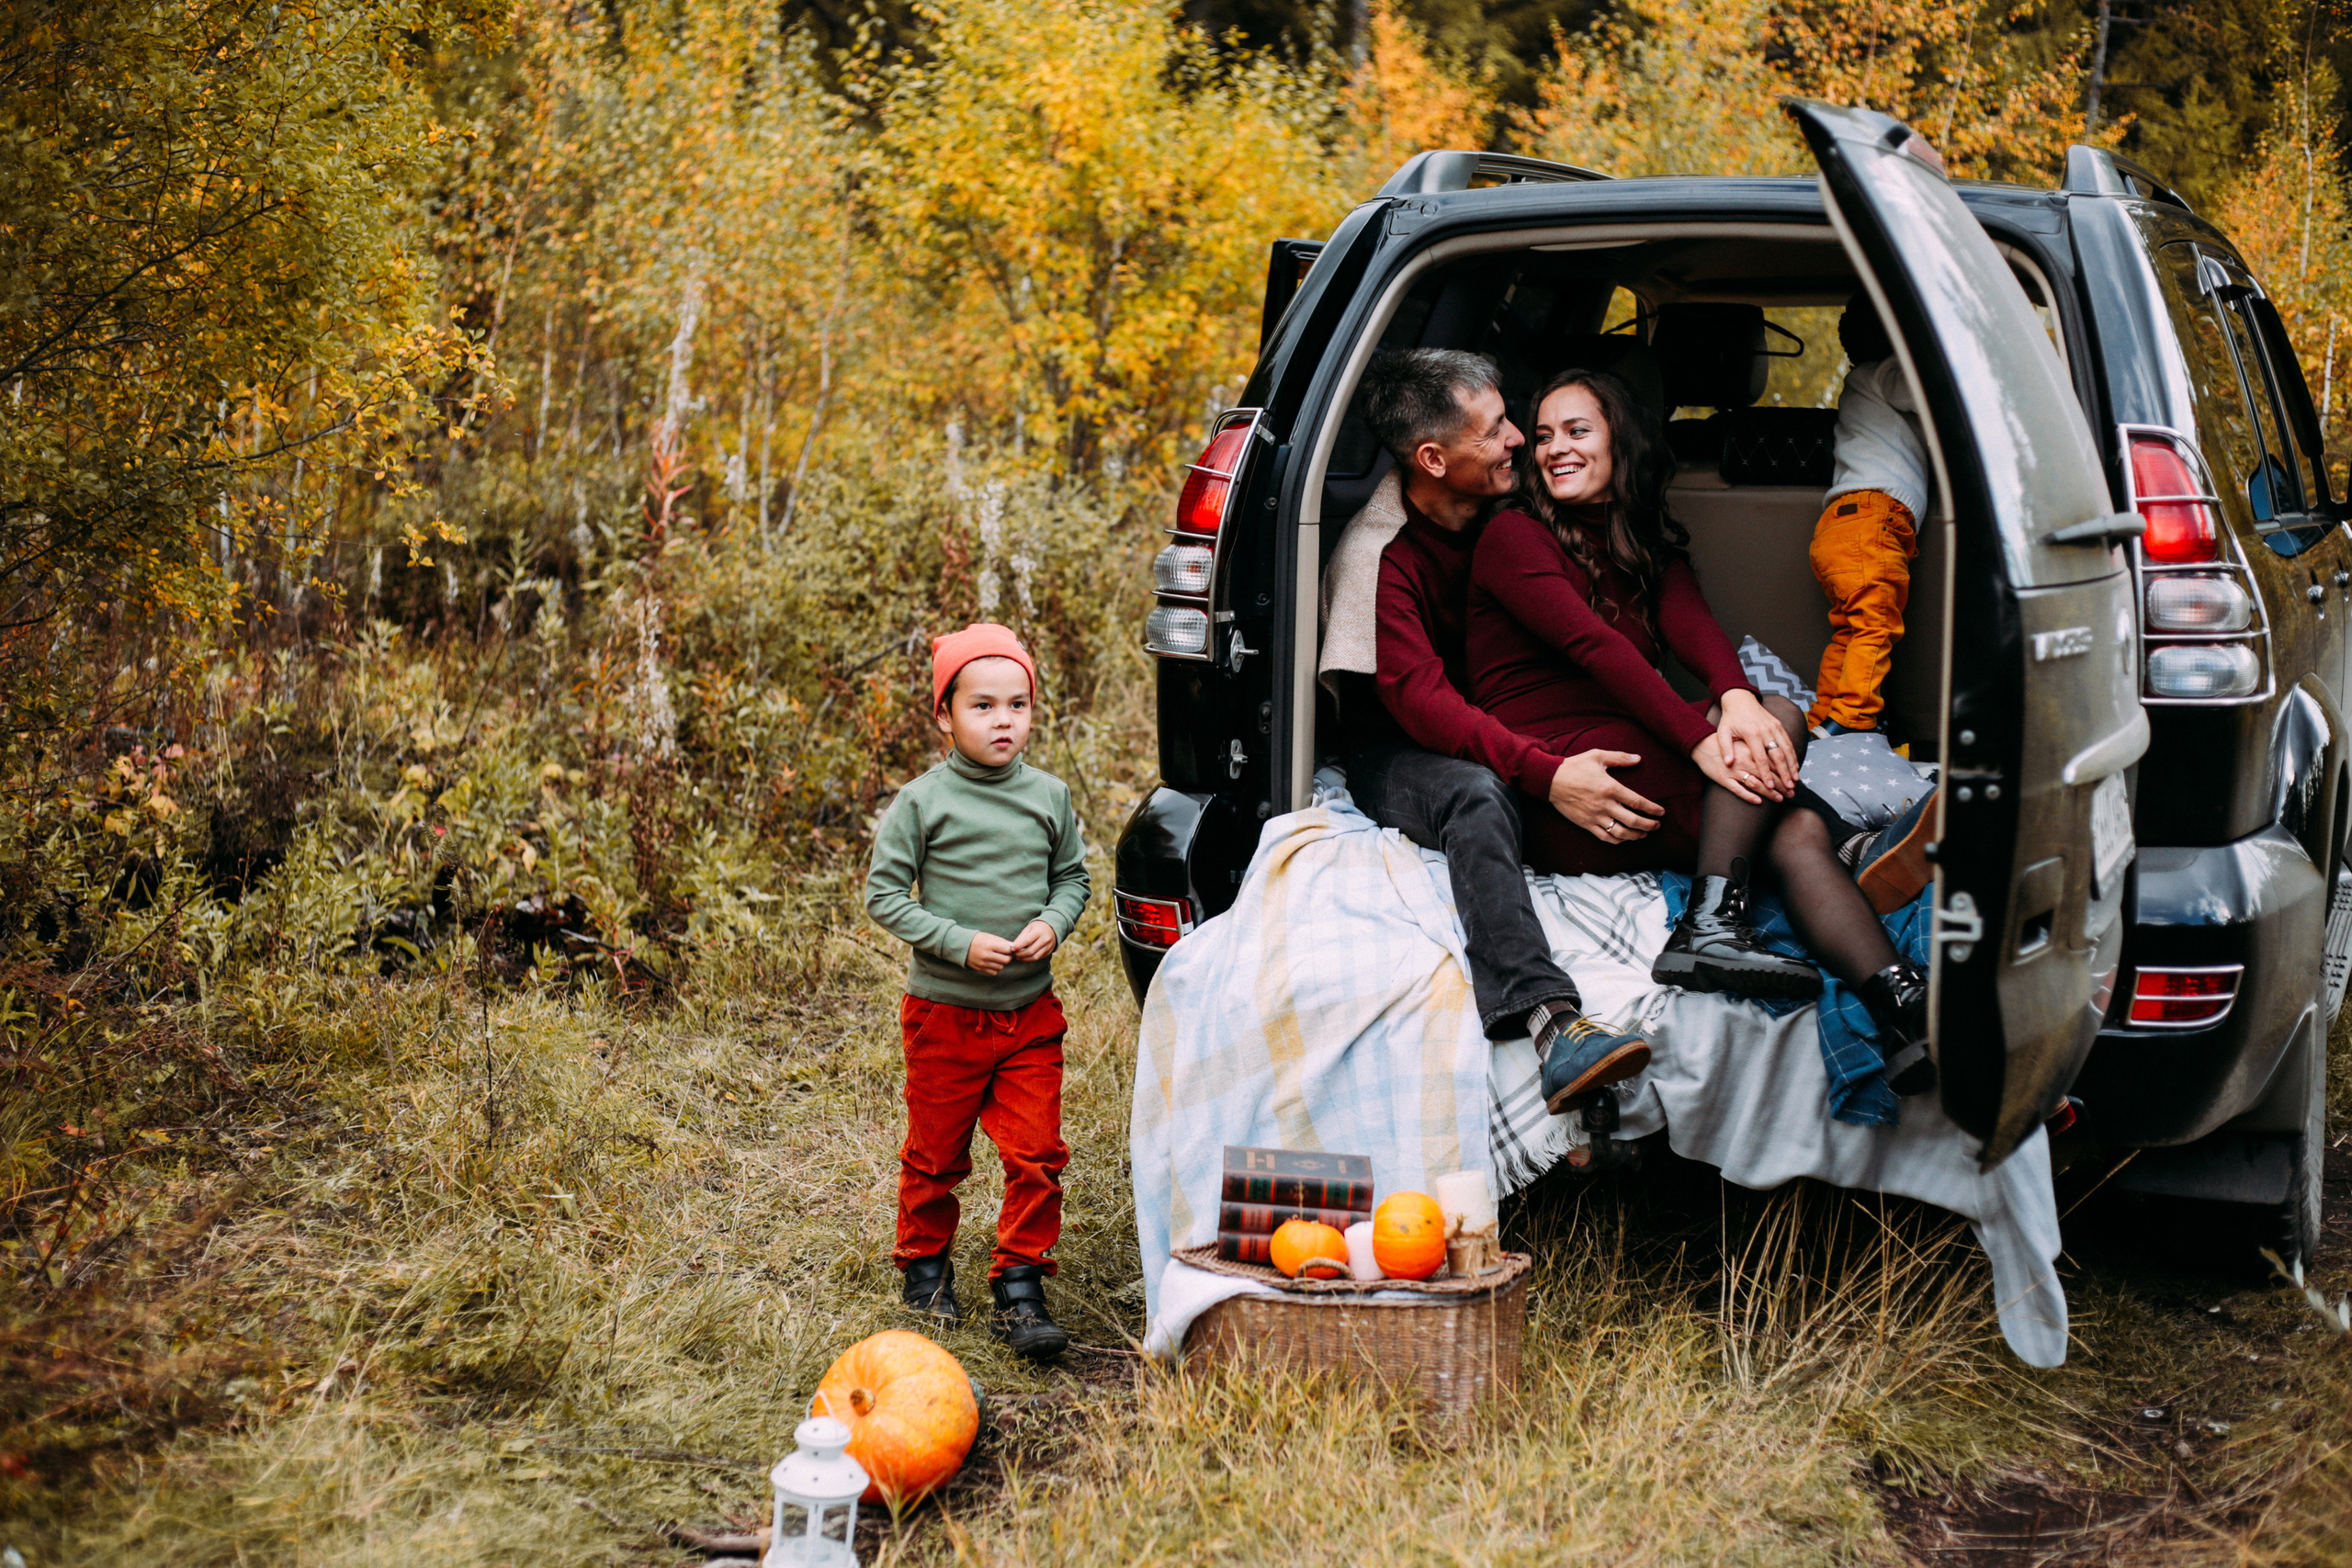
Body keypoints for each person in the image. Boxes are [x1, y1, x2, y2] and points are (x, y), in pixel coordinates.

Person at [1466, 367, 1934, 1095]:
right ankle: (1793, 899)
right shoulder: (1512, 535)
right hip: (1569, 778)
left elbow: (1696, 630)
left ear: (1621, 443)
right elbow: (1600, 649)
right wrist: (1700, 739)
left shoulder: (1641, 540)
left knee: (1782, 783)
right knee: (1783, 797)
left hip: (1626, 748)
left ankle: (1899, 1005)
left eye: (1578, 431)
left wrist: (1736, 699)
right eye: (1546, 435)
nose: (1556, 448)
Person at [1318, 347, 1653, 1117]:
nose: (1518, 441)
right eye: (1497, 428)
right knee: (1475, 792)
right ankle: (1552, 1024)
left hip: (1507, 712)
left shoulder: (1518, 513)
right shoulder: (1379, 560)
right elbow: (1427, 708)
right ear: (1434, 458)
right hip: (1399, 747)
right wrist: (1546, 773)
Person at [864, 623, 1090, 1356]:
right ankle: (926, 1272)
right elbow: (885, 894)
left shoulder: (1048, 797)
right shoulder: (924, 803)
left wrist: (1054, 923)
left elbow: (1073, 879)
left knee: (1036, 1154)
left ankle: (1020, 1285)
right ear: (944, 715)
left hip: (1029, 1014)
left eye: (1018, 705)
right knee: (936, 1154)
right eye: (983, 705)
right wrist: (957, 942)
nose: (1003, 720)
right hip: (946, 1014)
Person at [1808, 293, 1931, 738]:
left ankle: (1823, 718)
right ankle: (1855, 719)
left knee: (1851, 628)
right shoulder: (1886, 373)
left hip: (1844, 524)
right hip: (1873, 518)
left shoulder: (1862, 381)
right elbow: (1935, 390)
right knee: (1876, 622)